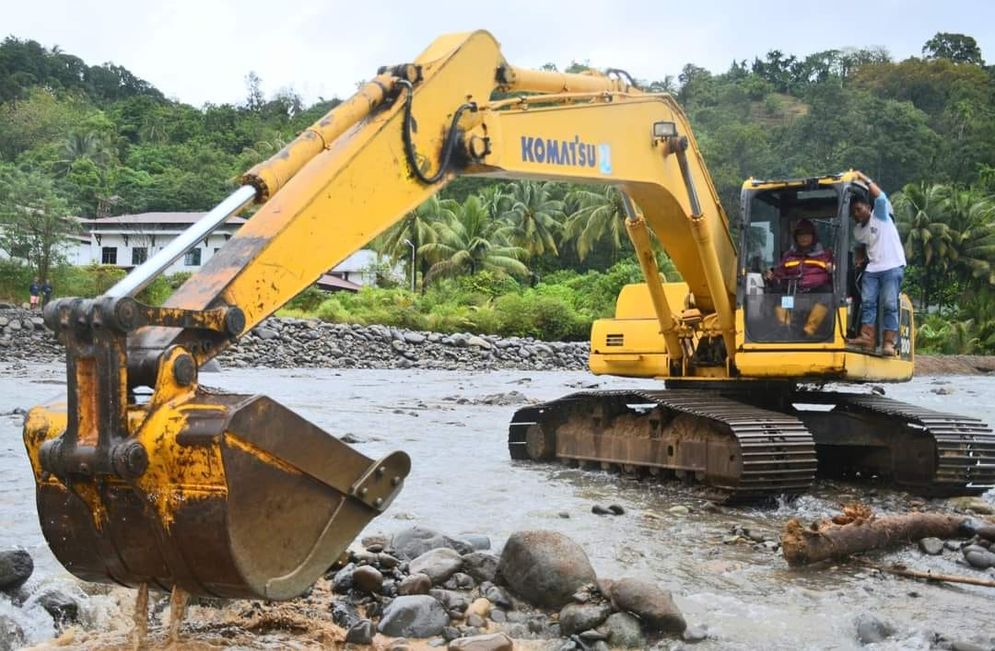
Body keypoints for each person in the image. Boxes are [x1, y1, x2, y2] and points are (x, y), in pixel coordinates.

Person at [847, 173, 906, 355]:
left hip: (892, 266)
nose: (856, 215)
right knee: (867, 302)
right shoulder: (857, 231)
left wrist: (864, 179)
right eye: (853, 213)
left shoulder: (880, 216)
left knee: (889, 303)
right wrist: (859, 256)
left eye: (859, 209)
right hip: (873, 268)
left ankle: (889, 342)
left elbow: (881, 197)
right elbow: (862, 244)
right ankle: (867, 338)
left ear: (867, 207)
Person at [765, 218, 834, 335]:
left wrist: (832, 268)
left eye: (807, 234)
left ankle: (808, 330)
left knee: (827, 290)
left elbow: (835, 271)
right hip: (792, 297)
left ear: (814, 236)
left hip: (815, 295)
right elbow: (779, 273)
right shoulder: (789, 256)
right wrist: (771, 275)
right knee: (777, 291)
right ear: (795, 237)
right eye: (800, 235)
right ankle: (785, 328)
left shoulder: (825, 255)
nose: (804, 238)